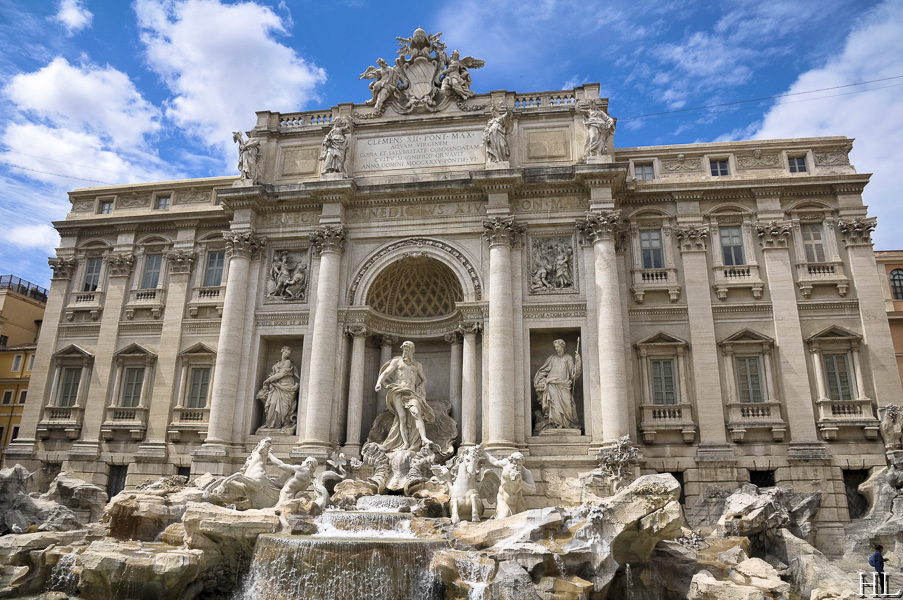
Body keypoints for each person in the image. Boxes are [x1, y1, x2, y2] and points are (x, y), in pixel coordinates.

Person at [374, 340, 436, 453]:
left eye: (408, 349)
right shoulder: (397, 361)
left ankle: (423, 438)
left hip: (411, 393)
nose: (405, 351)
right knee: (402, 417)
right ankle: (405, 443)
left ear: (412, 350)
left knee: (416, 412)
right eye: (404, 349)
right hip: (397, 391)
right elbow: (386, 373)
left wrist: (421, 386)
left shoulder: (417, 365)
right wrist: (379, 383)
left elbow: (424, 379)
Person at [533, 339, 582, 432]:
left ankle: (567, 424)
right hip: (552, 384)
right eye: (555, 347)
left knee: (568, 404)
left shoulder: (568, 358)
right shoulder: (552, 358)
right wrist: (539, 379)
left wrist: (578, 361)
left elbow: (574, 374)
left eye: (558, 347)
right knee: (554, 404)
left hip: (564, 385)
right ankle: (555, 424)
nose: (556, 348)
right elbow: (544, 370)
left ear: (563, 346)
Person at [257, 346, 299, 431]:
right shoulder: (276, 364)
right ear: (282, 351)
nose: (287, 354)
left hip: (287, 386)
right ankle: (270, 424)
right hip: (277, 386)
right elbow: (274, 373)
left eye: (288, 353)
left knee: (284, 408)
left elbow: (281, 374)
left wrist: (268, 379)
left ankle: (279, 425)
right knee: (272, 403)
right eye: (286, 352)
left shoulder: (288, 362)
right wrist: (270, 379)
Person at [485, 451, 536, 519]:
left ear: (522, 464)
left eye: (519, 465)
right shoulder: (505, 463)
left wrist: (520, 482)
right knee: (503, 519)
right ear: (510, 462)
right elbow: (494, 461)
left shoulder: (526, 472)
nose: (516, 466)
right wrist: (484, 453)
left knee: (523, 520)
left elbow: (533, 490)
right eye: (514, 463)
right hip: (502, 497)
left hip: (517, 500)